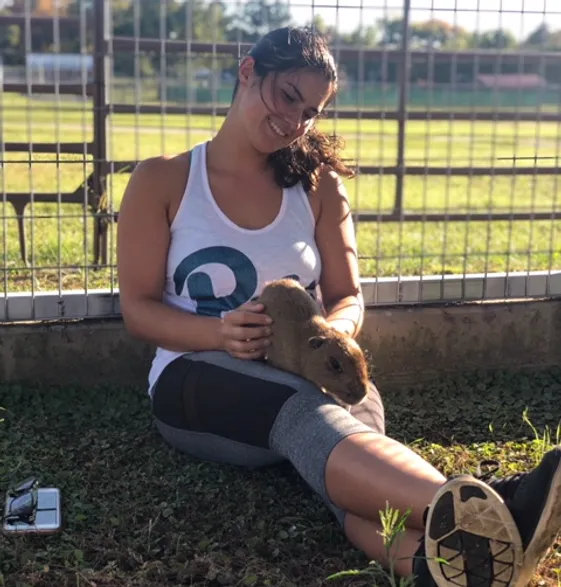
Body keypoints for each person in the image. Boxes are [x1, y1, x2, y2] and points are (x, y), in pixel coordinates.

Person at [116, 26, 561, 587]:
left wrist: (330, 334)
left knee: (345, 464)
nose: (295, 122)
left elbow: (348, 295)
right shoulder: (165, 178)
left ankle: (444, 568)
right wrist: (221, 335)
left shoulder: (318, 185)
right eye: (287, 97)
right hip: (196, 382)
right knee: (307, 415)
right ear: (248, 72)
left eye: (311, 110)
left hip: (321, 378)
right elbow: (138, 309)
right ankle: (496, 506)